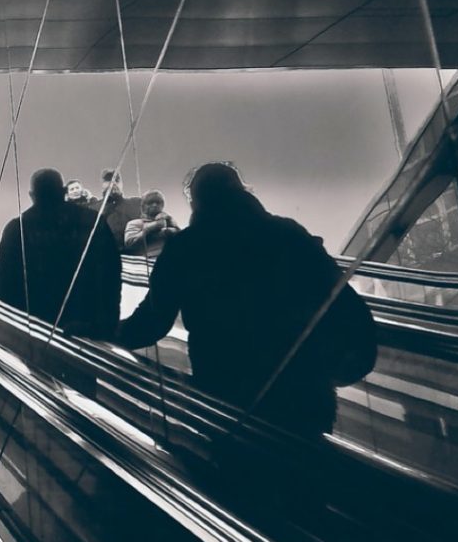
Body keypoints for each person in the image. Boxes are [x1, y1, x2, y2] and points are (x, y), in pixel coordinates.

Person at [117, 162, 357, 437]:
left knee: (238, 468)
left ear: (196, 201)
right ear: (242, 191)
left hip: (226, 391)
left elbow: (152, 321)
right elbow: (342, 304)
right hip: (303, 392)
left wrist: (109, 332)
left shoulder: (187, 246)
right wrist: (327, 372)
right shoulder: (288, 234)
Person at [0, 168, 122, 339]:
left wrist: (29, 320)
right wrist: (105, 325)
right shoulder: (93, 221)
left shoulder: (16, 228)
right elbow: (111, 274)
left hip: (35, 329)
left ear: (32, 195)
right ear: (63, 191)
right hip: (85, 326)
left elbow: (2, 288)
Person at [122, 189, 180, 256]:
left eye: (158, 203)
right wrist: (152, 227)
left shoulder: (168, 222)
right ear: (143, 207)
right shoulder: (134, 223)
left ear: (162, 205)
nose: (154, 205)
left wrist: (173, 226)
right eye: (150, 202)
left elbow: (183, 242)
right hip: (141, 263)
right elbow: (129, 244)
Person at [96, 169, 143, 242]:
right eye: (108, 180)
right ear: (102, 185)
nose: (113, 183)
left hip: (135, 251)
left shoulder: (137, 203)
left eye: (116, 180)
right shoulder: (93, 208)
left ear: (122, 184)